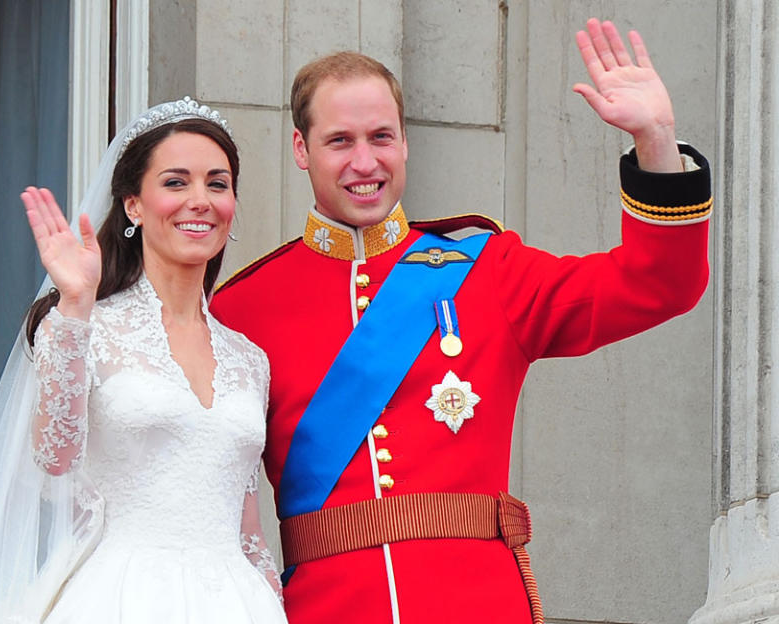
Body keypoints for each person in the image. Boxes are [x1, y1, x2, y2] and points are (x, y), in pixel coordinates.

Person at [210, 18, 711, 624]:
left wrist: (656, 139)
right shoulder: (241, 309)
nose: (364, 161)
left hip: (476, 604)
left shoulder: (486, 271)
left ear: (405, 143)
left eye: (382, 137)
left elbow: (660, 284)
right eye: (340, 140)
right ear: (301, 149)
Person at [0, 97, 287, 623]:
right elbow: (54, 461)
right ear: (133, 205)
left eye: (217, 184)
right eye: (176, 182)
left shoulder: (250, 360)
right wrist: (76, 307)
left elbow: (248, 532)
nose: (200, 199)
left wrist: (271, 603)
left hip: (237, 604)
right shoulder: (86, 326)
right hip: (121, 597)